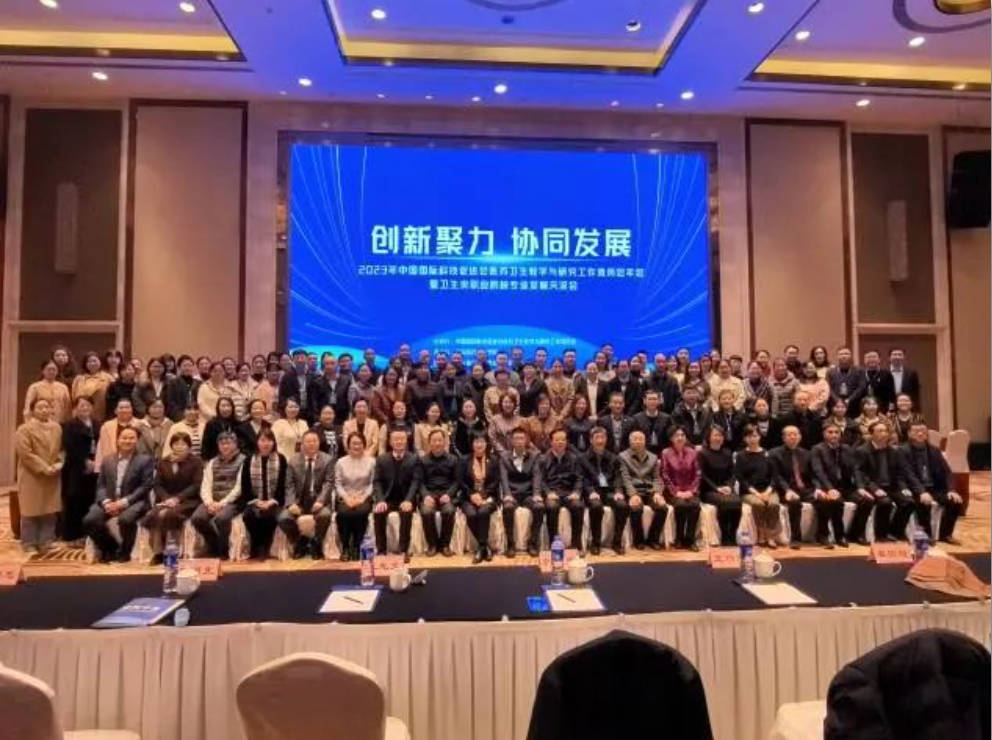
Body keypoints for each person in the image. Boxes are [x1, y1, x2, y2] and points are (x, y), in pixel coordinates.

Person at [84, 426, 154, 562]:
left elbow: (145, 486)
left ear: (137, 441)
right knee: (90, 520)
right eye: (124, 438)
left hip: (135, 501)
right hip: (109, 501)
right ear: (118, 440)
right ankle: (110, 548)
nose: (127, 441)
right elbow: (101, 485)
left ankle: (125, 552)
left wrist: (123, 503)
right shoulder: (107, 460)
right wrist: (106, 502)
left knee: (125, 519)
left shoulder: (145, 460)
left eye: (131, 438)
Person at [15, 398, 65, 556]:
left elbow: (62, 449)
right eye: (40, 407)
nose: (44, 410)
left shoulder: (57, 427)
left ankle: (46, 542)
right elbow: (25, 454)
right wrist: (44, 467)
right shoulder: (24, 429)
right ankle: (29, 543)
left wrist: (59, 463)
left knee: (49, 511)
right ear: (33, 410)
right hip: (32, 474)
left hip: (52, 474)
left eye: (46, 407)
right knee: (30, 510)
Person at [900, 421, 963, 544]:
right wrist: (922, 491)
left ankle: (946, 534)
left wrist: (951, 490)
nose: (920, 433)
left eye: (923, 431)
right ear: (909, 434)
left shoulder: (934, 450)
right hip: (914, 488)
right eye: (916, 431)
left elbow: (947, 472)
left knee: (955, 501)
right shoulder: (903, 451)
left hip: (934, 488)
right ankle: (926, 535)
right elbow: (909, 475)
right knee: (923, 502)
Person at [144, 432, 203, 562]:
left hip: (188, 500)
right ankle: (158, 552)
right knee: (152, 515)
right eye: (176, 444)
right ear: (171, 445)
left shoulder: (196, 462)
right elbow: (157, 485)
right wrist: (167, 499)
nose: (179, 447)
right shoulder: (164, 462)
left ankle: (171, 552)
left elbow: (196, 485)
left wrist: (177, 499)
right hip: (167, 500)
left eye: (183, 444)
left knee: (168, 515)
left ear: (189, 446)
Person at [771, 425, 832, 549]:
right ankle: (796, 538)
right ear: (783, 438)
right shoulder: (775, 454)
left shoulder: (806, 453)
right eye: (789, 434)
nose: (793, 437)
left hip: (805, 489)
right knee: (794, 503)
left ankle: (822, 536)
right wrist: (787, 490)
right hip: (786, 489)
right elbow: (776, 476)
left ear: (800, 437)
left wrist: (817, 488)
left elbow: (813, 474)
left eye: (796, 434)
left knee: (824, 501)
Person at [856, 420, 914, 542]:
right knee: (885, 502)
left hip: (892, 486)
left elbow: (900, 473)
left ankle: (896, 532)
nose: (884, 434)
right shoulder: (863, 451)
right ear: (872, 434)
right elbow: (861, 474)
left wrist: (903, 488)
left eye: (886, 431)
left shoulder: (894, 451)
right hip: (873, 487)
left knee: (908, 502)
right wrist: (875, 489)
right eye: (880, 431)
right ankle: (881, 535)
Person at [191, 431, 245, 560]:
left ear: (235, 444)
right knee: (197, 518)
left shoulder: (243, 461)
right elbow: (206, 485)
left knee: (221, 518)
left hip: (233, 501)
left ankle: (223, 550)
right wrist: (209, 502)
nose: (225, 446)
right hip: (213, 500)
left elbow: (239, 488)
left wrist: (221, 504)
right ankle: (213, 545)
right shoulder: (212, 462)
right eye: (222, 443)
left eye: (228, 443)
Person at [280, 430, 334, 559]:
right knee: (283, 518)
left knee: (325, 515)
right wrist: (291, 503)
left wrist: (321, 501)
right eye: (308, 441)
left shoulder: (327, 460)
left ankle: (316, 542)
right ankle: (300, 541)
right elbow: (289, 485)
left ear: (319, 443)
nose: (312, 444)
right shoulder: (293, 461)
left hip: (319, 502)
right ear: (302, 444)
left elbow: (329, 483)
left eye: (314, 441)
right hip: (299, 501)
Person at [537, 429, 589, 552]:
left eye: (563, 440)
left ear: (566, 442)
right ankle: (554, 544)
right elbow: (540, 480)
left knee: (578, 506)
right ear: (551, 442)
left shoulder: (574, 458)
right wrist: (548, 493)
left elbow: (579, 478)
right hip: (552, 492)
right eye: (557, 440)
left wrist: (576, 492)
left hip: (569, 492)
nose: (560, 442)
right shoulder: (543, 459)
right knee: (551, 507)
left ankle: (576, 544)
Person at [238, 429, 286, 560]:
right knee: (249, 515)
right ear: (257, 442)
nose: (266, 444)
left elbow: (283, 485)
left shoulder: (281, 459)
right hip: (254, 500)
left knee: (269, 514)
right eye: (262, 440)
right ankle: (256, 544)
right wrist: (256, 501)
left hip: (274, 500)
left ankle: (265, 547)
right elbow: (245, 485)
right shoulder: (249, 460)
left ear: (273, 442)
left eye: (269, 440)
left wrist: (272, 501)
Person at [372, 427, 418, 560]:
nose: (399, 441)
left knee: (406, 513)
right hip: (388, 498)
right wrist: (380, 500)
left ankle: (403, 550)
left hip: (406, 498)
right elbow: (377, 482)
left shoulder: (414, 459)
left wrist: (409, 500)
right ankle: (381, 550)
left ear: (406, 441)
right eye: (396, 439)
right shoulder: (382, 459)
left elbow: (415, 481)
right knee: (378, 512)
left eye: (402, 439)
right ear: (390, 442)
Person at [618, 429, 668, 550]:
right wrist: (633, 494)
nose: (638, 441)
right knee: (636, 508)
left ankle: (653, 539)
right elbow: (625, 478)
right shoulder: (623, 456)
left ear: (645, 441)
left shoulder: (653, 457)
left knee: (662, 508)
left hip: (650, 490)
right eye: (635, 439)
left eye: (641, 439)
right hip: (634, 489)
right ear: (630, 441)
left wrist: (657, 492)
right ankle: (638, 540)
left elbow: (657, 478)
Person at [60, 397, 99, 545]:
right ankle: (72, 535)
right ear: (75, 408)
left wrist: (96, 461)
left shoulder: (97, 424)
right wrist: (84, 461)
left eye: (88, 405)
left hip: (94, 467)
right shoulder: (69, 425)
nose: (85, 408)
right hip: (75, 468)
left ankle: (87, 534)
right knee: (73, 501)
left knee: (89, 500)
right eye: (81, 405)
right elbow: (69, 446)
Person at [499, 426, 543, 556]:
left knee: (539, 507)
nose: (519, 441)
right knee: (507, 508)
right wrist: (507, 494)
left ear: (526, 440)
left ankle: (532, 543)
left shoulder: (534, 456)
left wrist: (536, 493)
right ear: (511, 441)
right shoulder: (504, 457)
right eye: (516, 438)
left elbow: (536, 475)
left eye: (522, 438)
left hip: (528, 494)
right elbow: (503, 478)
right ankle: (510, 544)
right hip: (512, 494)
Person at [734, 424, 780, 548]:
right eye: (749, 436)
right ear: (745, 439)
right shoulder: (741, 455)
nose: (752, 439)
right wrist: (757, 494)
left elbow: (774, 476)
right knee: (758, 504)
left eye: (755, 436)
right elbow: (741, 479)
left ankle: (770, 535)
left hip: (768, 490)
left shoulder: (768, 454)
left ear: (759, 437)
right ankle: (761, 533)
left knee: (773, 504)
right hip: (749, 491)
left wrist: (768, 492)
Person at [417, 428, 460, 556]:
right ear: (429, 443)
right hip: (429, 494)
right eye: (434, 441)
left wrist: (449, 494)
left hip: (446, 494)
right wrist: (425, 495)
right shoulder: (423, 460)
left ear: (445, 442)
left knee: (449, 511)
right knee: (426, 512)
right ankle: (432, 544)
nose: (437, 443)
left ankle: (445, 545)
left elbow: (456, 482)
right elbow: (419, 482)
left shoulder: (453, 459)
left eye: (440, 440)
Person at [331, 432, 374, 560]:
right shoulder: (341, 462)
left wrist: (362, 498)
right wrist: (346, 498)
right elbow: (338, 483)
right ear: (348, 445)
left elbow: (372, 483)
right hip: (346, 498)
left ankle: (356, 546)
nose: (356, 446)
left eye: (359, 443)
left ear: (364, 445)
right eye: (353, 443)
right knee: (343, 513)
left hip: (364, 497)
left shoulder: (371, 462)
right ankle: (345, 547)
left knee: (361, 512)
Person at [459, 433, 499, 563]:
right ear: (472, 444)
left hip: (488, 496)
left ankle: (480, 549)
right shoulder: (464, 460)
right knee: (471, 514)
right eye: (476, 441)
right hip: (468, 497)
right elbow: (461, 482)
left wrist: (483, 495)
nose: (479, 444)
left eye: (482, 441)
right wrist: (471, 494)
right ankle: (485, 547)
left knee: (483, 511)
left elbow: (495, 482)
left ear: (486, 444)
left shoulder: (493, 460)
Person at [698, 425, 741, 546]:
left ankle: (732, 534)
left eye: (721, 435)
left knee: (737, 502)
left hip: (726, 488)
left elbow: (733, 474)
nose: (718, 438)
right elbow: (702, 476)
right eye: (715, 435)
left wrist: (729, 486)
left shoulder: (727, 453)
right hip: (709, 489)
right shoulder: (702, 453)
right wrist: (717, 488)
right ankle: (725, 535)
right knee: (725, 503)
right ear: (709, 437)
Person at [581, 426, 621, 554]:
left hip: (608, 491)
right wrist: (591, 492)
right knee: (596, 506)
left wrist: (618, 491)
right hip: (592, 491)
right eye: (597, 437)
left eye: (602, 437)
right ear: (591, 440)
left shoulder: (613, 457)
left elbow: (617, 477)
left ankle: (617, 542)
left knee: (622, 505)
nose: (600, 441)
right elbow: (582, 478)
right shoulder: (583, 458)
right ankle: (595, 543)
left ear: (606, 439)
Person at [660, 427, 701, 550]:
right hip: (673, 491)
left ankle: (690, 539)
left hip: (690, 490)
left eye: (682, 435)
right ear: (671, 438)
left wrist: (691, 491)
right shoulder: (666, 453)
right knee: (681, 505)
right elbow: (664, 475)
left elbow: (698, 474)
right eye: (676, 435)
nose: (680, 438)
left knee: (695, 506)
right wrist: (676, 492)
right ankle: (679, 537)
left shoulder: (693, 452)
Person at [94, 398, 148, 469]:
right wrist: (98, 467)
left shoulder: (142, 424)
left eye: (127, 407)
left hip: (136, 466)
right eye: (121, 408)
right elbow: (100, 448)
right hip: (112, 466)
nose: (124, 410)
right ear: (115, 411)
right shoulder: (106, 426)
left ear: (132, 410)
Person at [24, 359, 71, 424]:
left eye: (54, 370)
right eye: (49, 369)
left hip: (60, 423)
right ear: (43, 371)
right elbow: (28, 408)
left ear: (57, 371)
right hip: (40, 424)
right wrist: (29, 424)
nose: (51, 372)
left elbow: (68, 408)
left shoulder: (63, 387)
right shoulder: (35, 387)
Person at [71, 351, 113, 423]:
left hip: (100, 417)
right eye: (89, 361)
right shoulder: (79, 379)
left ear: (100, 362)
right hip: (80, 416)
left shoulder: (108, 378)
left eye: (94, 361)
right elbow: (73, 398)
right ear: (85, 364)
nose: (92, 363)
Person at [630, 389, 673, 457]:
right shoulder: (637, 418)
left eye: (654, 399)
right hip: (642, 454)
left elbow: (669, 440)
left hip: (662, 453)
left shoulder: (666, 418)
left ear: (659, 401)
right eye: (650, 399)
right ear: (644, 401)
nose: (652, 402)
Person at [827, 347, 867, 418]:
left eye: (846, 354)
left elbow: (861, 387)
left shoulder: (859, 370)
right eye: (841, 354)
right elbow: (828, 388)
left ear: (851, 355)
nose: (844, 356)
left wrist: (849, 399)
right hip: (836, 405)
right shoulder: (830, 371)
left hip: (854, 405)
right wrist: (837, 400)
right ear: (837, 356)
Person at [278, 349, 315, 420]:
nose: (299, 360)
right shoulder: (287, 377)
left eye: (302, 357)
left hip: (309, 413)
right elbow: (282, 397)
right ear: (292, 361)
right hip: (292, 413)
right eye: (297, 358)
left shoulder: (312, 376)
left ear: (307, 360)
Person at [164, 355, 201, 421]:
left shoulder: (199, 383)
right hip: (179, 418)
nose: (187, 368)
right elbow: (171, 403)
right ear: (179, 367)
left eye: (190, 365)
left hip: (198, 417)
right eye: (184, 365)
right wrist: (182, 417)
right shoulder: (172, 383)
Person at [105, 361, 138, 426]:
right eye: (124, 370)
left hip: (134, 418)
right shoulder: (113, 386)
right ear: (119, 372)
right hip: (116, 417)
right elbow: (110, 405)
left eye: (130, 369)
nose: (127, 372)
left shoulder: (138, 386)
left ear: (134, 371)